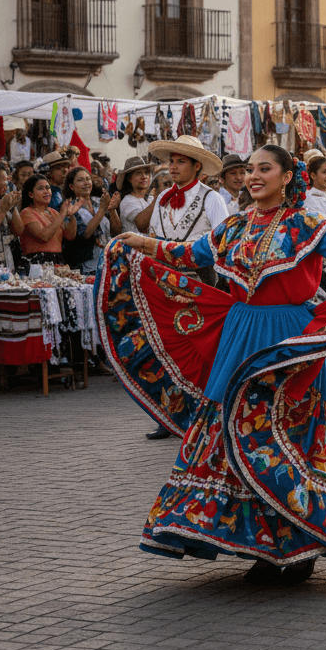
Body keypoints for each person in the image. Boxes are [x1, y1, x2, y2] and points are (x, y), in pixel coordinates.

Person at [100, 144, 326, 584]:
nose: (253, 176)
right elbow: (192, 256)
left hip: (291, 340)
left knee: (293, 432)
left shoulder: (307, 223)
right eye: (250, 169)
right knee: (229, 429)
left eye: (263, 169)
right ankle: (259, 543)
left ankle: (297, 546)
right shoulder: (233, 225)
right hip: (240, 334)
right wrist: (144, 245)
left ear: (287, 177)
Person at [144, 135, 230, 439]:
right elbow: (153, 237)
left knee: (201, 348)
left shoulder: (212, 198)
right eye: (172, 161)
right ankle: (169, 414)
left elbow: (224, 241)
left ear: (197, 167)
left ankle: (204, 414)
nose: (173, 166)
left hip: (201, 279)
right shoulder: (164, 197)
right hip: (166, 279)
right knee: (167, 345)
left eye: (180, 161)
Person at [61, 166, 120, 274]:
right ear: (71, 186)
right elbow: (85, 234)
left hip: (109, 262)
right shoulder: (69, 207)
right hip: (85, 267)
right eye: (80, 180)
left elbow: (116, 232)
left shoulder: (99, 201)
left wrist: (112, 210)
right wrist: (102, 210)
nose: (86, 183)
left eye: (88, 179)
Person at [19, 174, 76, 264]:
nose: (46, 191)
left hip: (58, 260)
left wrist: (72, 216)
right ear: (31, 194)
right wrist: (62, 214)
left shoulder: (54, 213)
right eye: (40, 188)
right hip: (37, 263)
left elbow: (70, 236)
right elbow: (43, 236)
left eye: (48, 188)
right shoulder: (26, 213)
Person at [117, 157, 156, 235]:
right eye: (138, 173)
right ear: (129, 179)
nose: (144, 177)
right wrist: (158, 199)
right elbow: (141, 224)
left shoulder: (151, 199)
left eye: (146, 173)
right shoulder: (127, 201)